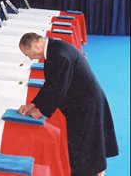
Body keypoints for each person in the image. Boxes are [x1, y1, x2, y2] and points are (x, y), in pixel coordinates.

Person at [17, 33, 119, 176]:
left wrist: (41, 112)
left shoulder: (59, 55)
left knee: (85, 148)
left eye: (28, 54)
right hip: (83, 102)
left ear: (35, 45)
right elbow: (51, 84)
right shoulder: (54, 48)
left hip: (86, 105)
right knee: (90, 147)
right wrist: (33, 104)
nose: (30, 58)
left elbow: (59, 89)